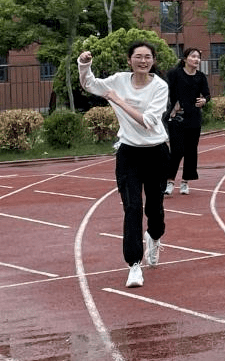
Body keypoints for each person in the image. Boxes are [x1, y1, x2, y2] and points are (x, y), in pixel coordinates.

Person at [78, 41, 171, 288]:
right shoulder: (119, 80)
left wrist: (118, 101)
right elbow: (90, 85)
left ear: (153, 60)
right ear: (129, 60)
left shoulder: (160, 87)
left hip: (156, 152)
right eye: (138, 56)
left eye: (148, 57)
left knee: (155, 208)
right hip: (129, 154)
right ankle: (134, 265)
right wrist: (84, 65)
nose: (143, 61)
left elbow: (148, 122)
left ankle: (154, 236)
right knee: (132, 208)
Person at [164, 48, 210, 196]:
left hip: (194, 118)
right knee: (177, 150)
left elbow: (207, 94)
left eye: (198, 57)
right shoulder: (174, 74)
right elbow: (165, 90)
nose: (196, 59)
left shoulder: (201, 77)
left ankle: (185, 182)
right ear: (185, 59)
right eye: (193, 56)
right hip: (177, 116)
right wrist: (172, 104)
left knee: (191, 151)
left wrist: (204, 100)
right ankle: (169, 181)